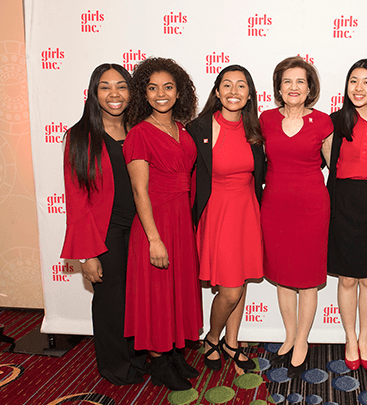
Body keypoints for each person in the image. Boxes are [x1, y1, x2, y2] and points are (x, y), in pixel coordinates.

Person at [61, 63, 147, 385]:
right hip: (105, 232)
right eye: (105, 86)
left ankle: (139, 357)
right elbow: (76, 199)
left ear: (130, 92)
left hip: (140, 228)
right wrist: (87, 254)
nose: (114, 94)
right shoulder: (80, 137)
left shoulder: (140, 131)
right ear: (93, 93)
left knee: (138, 299)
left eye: (121, 86)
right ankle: (114, 366)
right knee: (111, 303)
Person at [123, 57, 203, 391]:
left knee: (176, 290)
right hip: (155, 225)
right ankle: (158, 363)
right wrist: (154, 239)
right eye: (152, 88)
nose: (161, 94)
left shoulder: (181, 128)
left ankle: (172, 354)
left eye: (168, 87)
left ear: (179, 91)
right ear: (143, 93)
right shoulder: (140, 134)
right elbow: (140, 191)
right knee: (157, 294)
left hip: (180, 222)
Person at [186, 65, 265, 372]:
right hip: (217, 213)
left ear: (249, 94)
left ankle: (232, 342)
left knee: (240, 281)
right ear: (217, 91)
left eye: (241, 86)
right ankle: (212, 337)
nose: (234, 91)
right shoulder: (199, 129)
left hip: (247, 211)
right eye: (227, 85)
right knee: (230, 289)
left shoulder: (255, 129)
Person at [260, 56, 333, 378]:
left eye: (300, 81)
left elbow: (335, 166)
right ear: (278, 86)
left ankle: (302, 339)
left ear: (309, 88)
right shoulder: (264, 120)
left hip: (312, 207)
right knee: (282, 274)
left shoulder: (324, 122)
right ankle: (289, 335)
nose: (293, 87)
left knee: (306, 279)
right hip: (275, 207)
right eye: (287, 81)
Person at [326, 59, 367, 371]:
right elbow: (328, 162)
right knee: (347, 279)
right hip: (343, 203)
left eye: (366, 81)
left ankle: (365, 337)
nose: (359, 88)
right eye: (354, 80)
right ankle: (350, 337)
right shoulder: (335, 121)